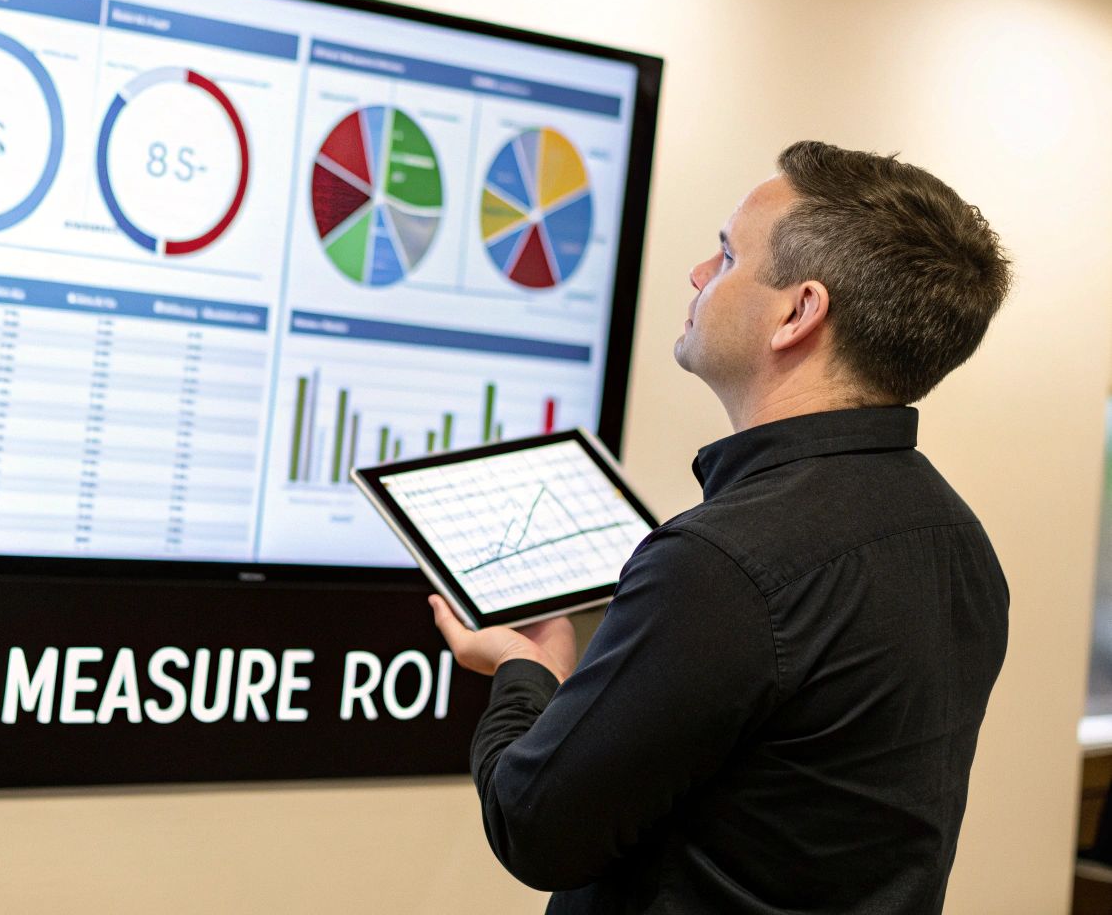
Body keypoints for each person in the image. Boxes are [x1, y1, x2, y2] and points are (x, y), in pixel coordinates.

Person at [430, 141, 1013, 913]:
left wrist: (523, 672)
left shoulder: (722, 564)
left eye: (727, 254)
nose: (699, 276)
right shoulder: (955, 538)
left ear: (799, 312)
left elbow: (536, 827)